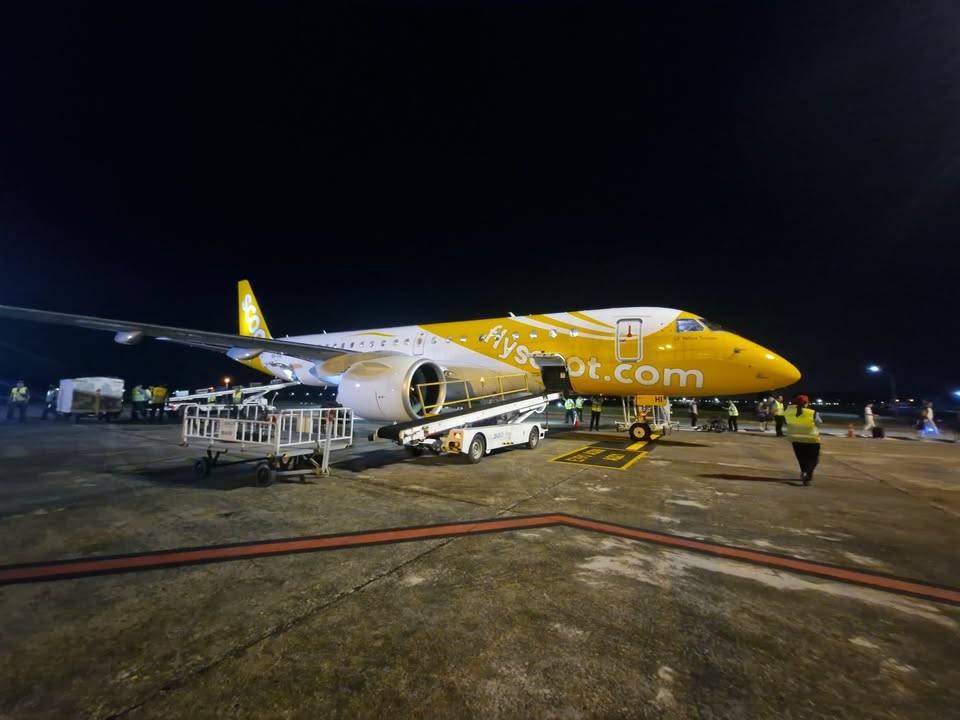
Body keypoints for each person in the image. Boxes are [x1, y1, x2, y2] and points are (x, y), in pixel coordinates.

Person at [783, 394, 823, 486]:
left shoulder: (788, 412)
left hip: (796, 440)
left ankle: (805, 474)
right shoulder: (812, 413)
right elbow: (819, 423)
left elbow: (786, 422)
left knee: (802, 459)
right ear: (806, 403)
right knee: (814, 459)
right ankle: (807, 474)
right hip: (811, 440)